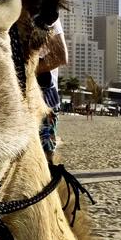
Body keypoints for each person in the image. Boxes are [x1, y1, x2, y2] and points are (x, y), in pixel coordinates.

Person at [36, 19, 67, 161]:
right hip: (12, 98)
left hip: (43, 101)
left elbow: (60, 56)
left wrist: (23, 70)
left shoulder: (45, 9)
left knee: (45, 161)